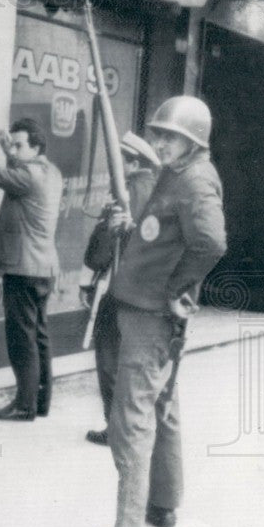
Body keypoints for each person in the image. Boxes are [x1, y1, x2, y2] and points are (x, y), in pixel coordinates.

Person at [67, 96, 227, 527]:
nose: (158, 142)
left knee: (131, 420)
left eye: (168, 136)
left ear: (193, 140)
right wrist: (132, 228)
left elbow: (211, 243)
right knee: (162, 407)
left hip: (150, 313)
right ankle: (162, 504)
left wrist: (178, 285)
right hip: (148, 308)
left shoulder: (195, 179)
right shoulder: (179, 174)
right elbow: (165, 234)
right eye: (157, 134)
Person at [0, 118, 63, 421]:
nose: (15, 149)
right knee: (40, 336)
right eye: (14, 144)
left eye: (20, 145)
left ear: (36, 147)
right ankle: (40, 401)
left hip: (23, 268)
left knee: (22, 340)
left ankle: (24, 405)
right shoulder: (50, 172)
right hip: (43, 267)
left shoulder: (29, 175)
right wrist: (9, 151)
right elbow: (17, 172)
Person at [81, 132, 161, 447]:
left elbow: (100, 252)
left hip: (118, 290)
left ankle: (117, 429)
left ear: (130, 162)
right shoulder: (155, 190)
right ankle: (132, 427)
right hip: (144, 293)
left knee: (109, 360)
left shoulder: (126, 194)